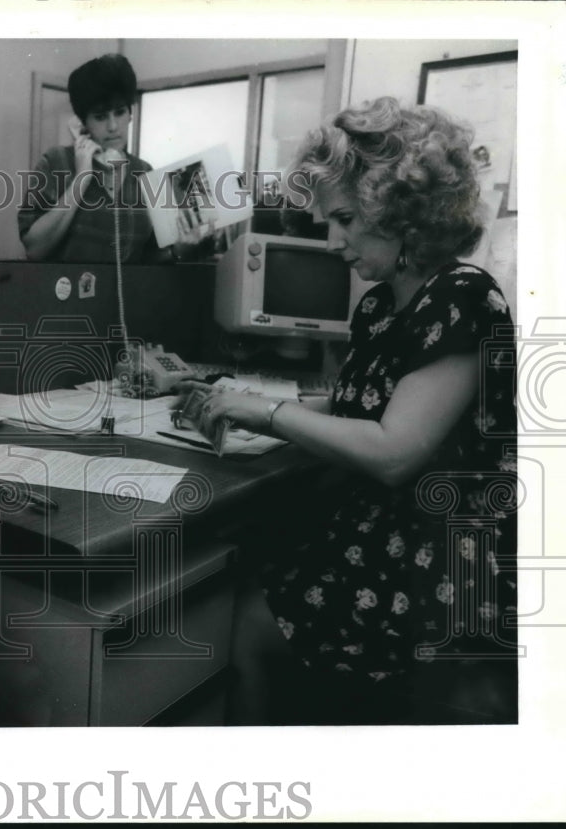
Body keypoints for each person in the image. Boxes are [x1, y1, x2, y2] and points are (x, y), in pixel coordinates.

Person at [173, 97, 517, 724]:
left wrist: (270, 414)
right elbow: (364, 396)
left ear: (402, 210)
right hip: (379, 536)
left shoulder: (465, 295)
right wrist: (243, 402)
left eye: (344, 219)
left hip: (435, 558)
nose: (333, 243)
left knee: (248, 618)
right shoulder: (383, 304)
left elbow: (394, 451)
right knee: (248, 570)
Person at [18, 53, 211, 264]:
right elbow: (34, 249)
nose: (112, 126)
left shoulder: (144, 172)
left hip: (126, 297)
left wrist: (178, 250)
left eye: (119, 113)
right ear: (83, 123)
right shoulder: (56, 162)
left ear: (130, 114)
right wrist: (81, 179)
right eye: (100, 117)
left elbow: (147, 258)